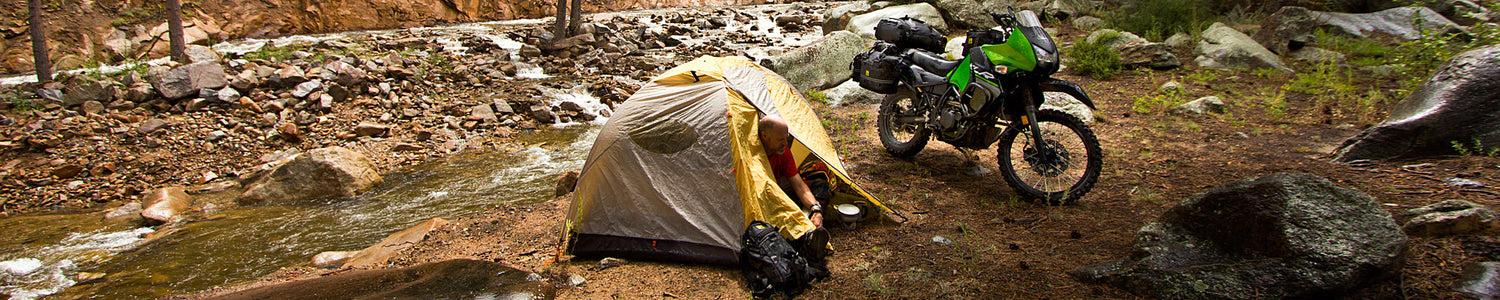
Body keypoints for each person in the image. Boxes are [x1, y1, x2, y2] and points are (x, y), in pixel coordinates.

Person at [758, 116, 830, 261]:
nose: (785, 143)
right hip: (765, 199)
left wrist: (815, 208)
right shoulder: (754, 156)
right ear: (764, 136)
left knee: (819, 184)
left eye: (787, 138)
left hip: (780, 192)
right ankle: (804, 239)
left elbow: (798, 184)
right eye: (781, 140)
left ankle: (811, 222)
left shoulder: (783, 151)